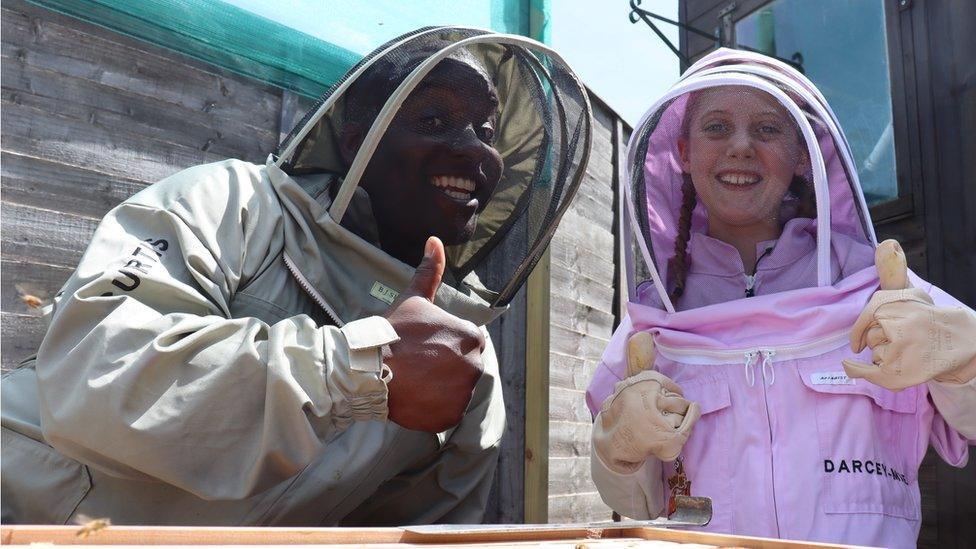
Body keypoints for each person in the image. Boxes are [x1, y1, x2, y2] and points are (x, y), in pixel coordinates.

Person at [1, 27, 592, 526]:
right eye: (436, 119)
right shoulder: (231, 202)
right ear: (358, 138)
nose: (477, 153)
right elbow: (96, 370)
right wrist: (361, 368)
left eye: (488, 135)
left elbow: (413, 533)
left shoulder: (464, 356)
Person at [586, 48, 975, 548]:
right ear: (682, 152)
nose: (741, 147)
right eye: (717, 127)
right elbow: (633, 501)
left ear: (801, 154)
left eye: (768, 128)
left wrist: (960, 361)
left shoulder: (884, 289)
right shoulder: (652, 322)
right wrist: (619, 449)